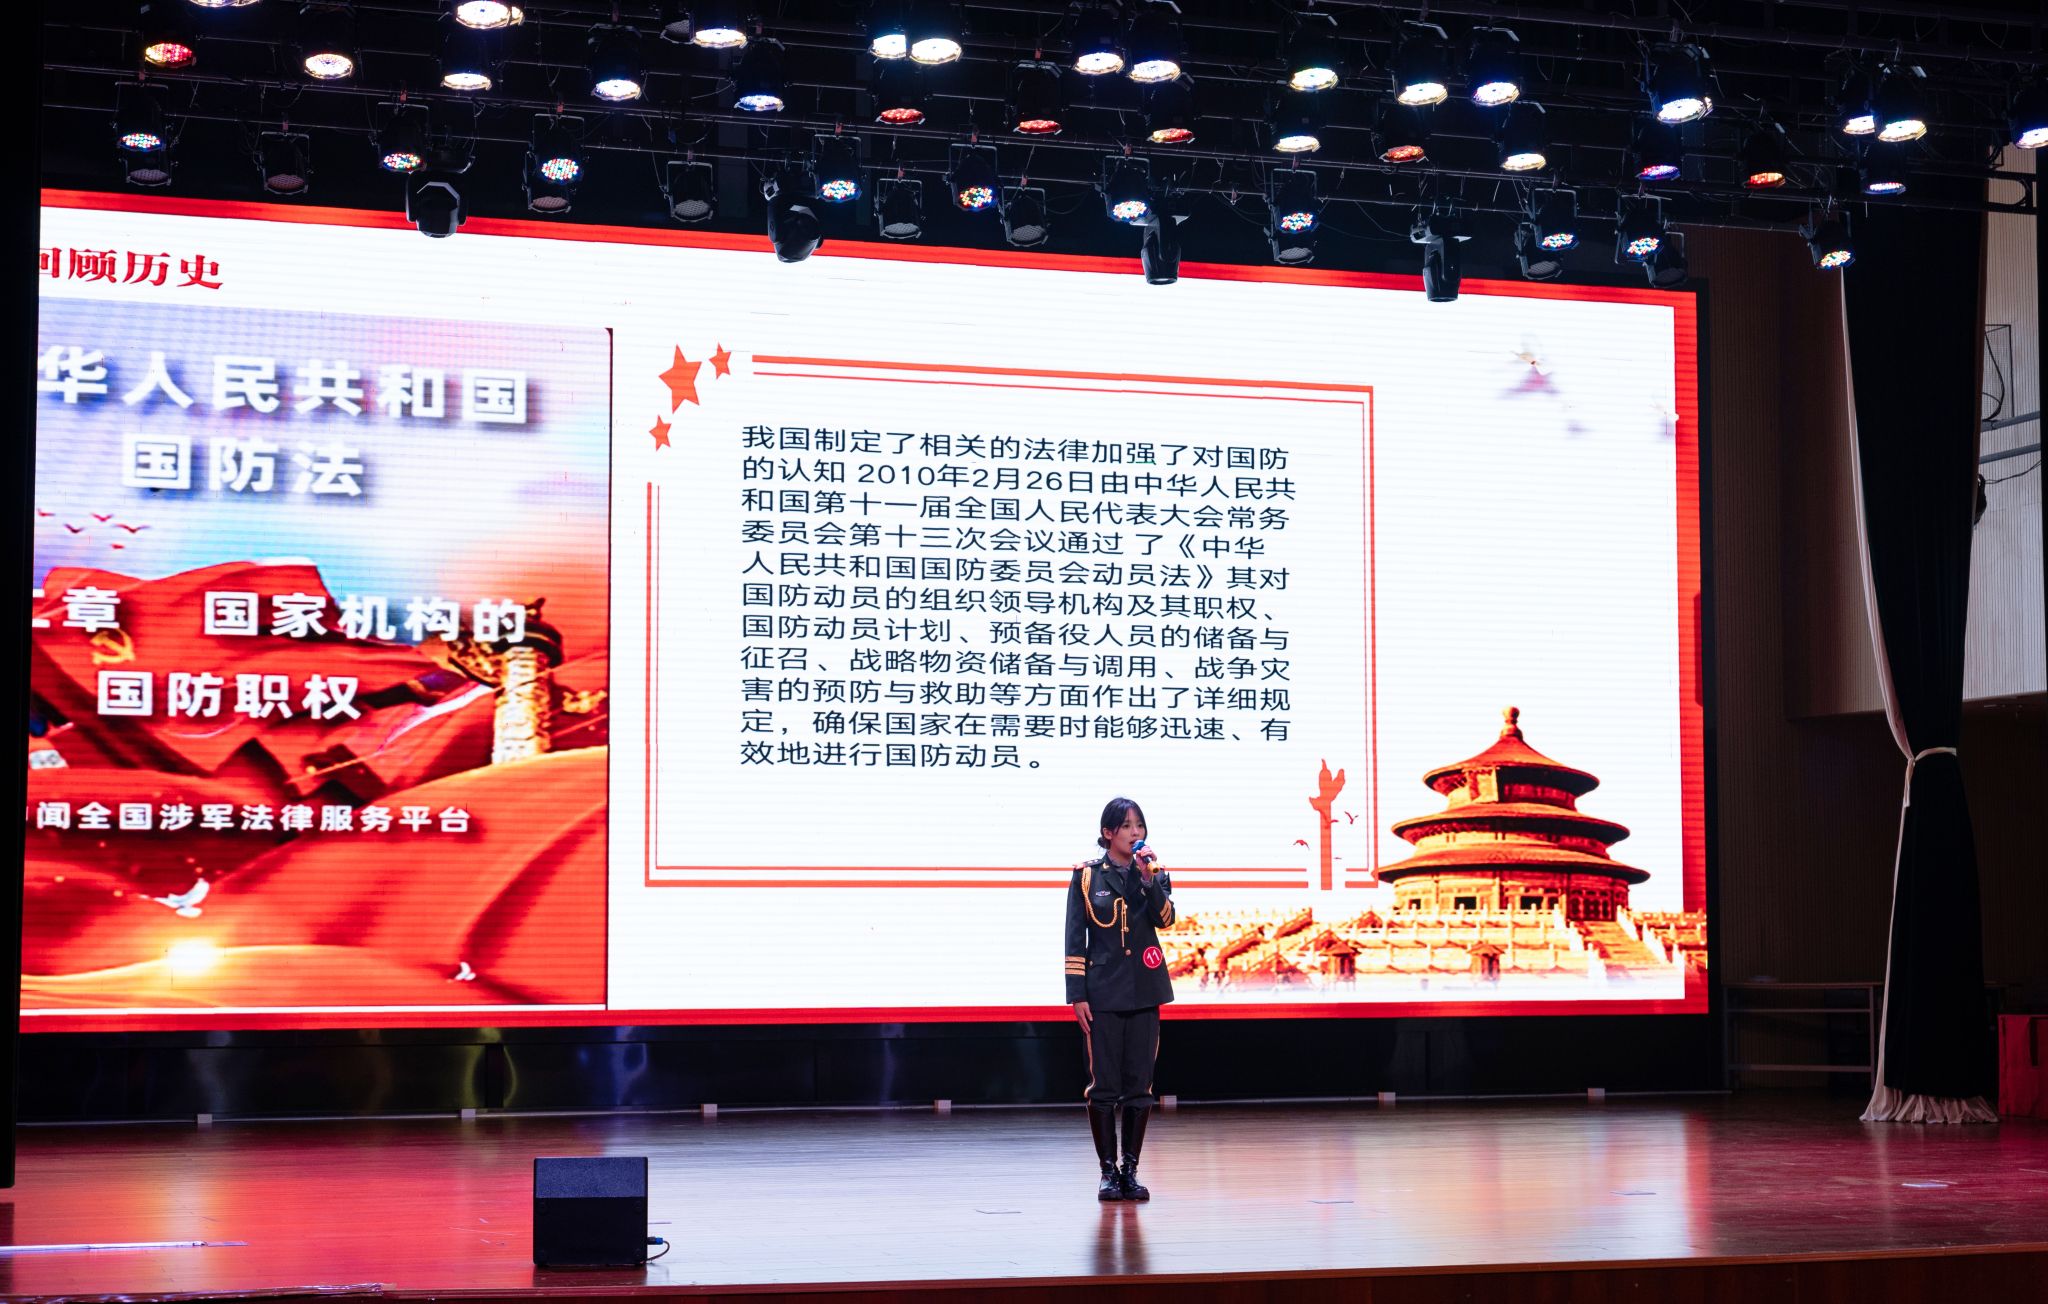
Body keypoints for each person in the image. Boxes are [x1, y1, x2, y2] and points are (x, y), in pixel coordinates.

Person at [1064, 796, 1176, 1201]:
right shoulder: (1086, 877)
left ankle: (1131, 1170)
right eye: (1126, 826)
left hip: (1145, 991)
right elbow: (1075, 938)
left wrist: (1148, 880)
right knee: (1103, 1087)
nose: (1135, 833)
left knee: (1140, 1087)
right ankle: (1107, 1172)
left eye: (1139, 825)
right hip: (1103, 994)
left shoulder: (1155, 873)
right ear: (1108, 832)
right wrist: (1077, 994)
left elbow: (1167, 919)